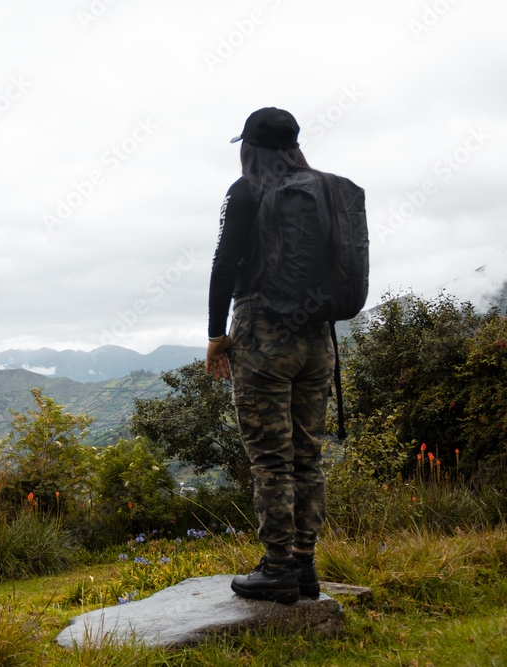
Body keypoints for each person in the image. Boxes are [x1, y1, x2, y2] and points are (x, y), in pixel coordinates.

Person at [206, 107, 341, 605]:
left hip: (263, 330)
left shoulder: (246, 190)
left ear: (250, 146)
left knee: (271, 459)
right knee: (308, 456)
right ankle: (304, 565)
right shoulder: (323, 189)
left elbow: (224, 262)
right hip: (317, 336)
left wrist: (216, 333)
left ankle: (277, 568)